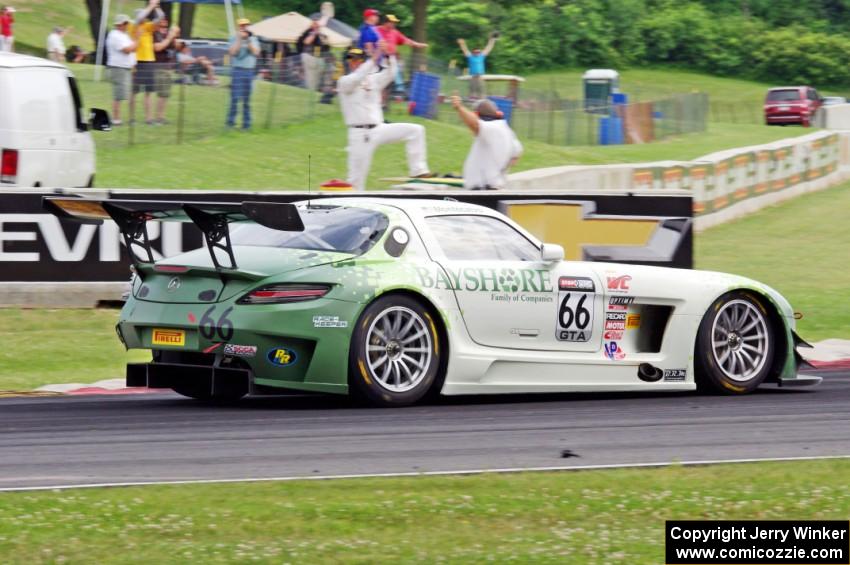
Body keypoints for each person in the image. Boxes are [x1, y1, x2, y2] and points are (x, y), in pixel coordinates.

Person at [338, 43, 432, 191]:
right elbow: (358, 77)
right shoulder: (344, 82)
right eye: (351, 59)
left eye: (358, 59)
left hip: (379, 128)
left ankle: (418, 171)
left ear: (363, 61)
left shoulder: (373, 80)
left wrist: (389, 56)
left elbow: (391, 73)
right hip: (359, 134)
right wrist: (374, 58)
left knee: (416, 130)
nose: (354, 62)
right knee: (355, 182)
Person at [451, 95, 522, 190]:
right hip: (495, 187)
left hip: (484, 189)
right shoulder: (507, 131)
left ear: (476, 114)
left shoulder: (492, 128)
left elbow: (475, 124)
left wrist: (459, 108)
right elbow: (516, 155)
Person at [128, 0, 164, 125]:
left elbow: (161, 17)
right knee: (134, 92)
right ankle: (132, 118)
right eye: (143, 16)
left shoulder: (148, 26)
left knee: (149, 92)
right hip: (137, 62)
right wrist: (151, 5)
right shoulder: (133, 26)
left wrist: (157, 7)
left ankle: (148, 119)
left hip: (149, 62)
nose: (145, 18)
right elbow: (139, 18)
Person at [378, 14, 427, 96]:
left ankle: (383, 105)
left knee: (387, 84)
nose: (394, 24)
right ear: (386, 22)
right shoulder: (376, 30)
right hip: (379, 60)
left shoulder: (395, 32)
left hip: (390, 61)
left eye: (394, 22)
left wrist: (418, 44)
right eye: (392, 22)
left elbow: (406, 40)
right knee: (379, 82)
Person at [226, 17, 260, 130]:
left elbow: (256, 52)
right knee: (234, 98)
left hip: (249, 71)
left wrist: (248, 40)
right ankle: (230, 124)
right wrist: (239, 40)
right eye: (242, 26)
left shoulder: (254, 39)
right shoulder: (233, 38)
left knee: (246, 99)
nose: (244, 27)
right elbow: (232, 52)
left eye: (246, 25)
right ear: (238, 27)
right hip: (237, 70)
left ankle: (246, 125)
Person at [105, 14, 138, 126]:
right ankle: (116, 119)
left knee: (122, 94)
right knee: (118, 95)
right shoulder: (115, 35)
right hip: (118, 68)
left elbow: (133, 49)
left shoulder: (123, 35)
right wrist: (137, 39)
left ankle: (118, 118)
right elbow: (128, 50)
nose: (128, 25)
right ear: (122, 24)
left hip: (125, 68)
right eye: (127, 23)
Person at [152, 17, 180, 125]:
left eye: (166, 22)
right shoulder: (155, 34)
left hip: (168, 68)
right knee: (161, 94)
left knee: (166, 94)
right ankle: (158, 118)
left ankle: (162, 117)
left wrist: (175, 35)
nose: (164, 24)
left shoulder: (168, 34)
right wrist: (170, 36)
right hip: (159, 67)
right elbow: (158, 47)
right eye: (162, 22)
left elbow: (176, 47)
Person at [457, 33, 497, 99]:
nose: (477, 53)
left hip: (480, 76)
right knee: (472, 91)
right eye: (476, 52)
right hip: (473, 76)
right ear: (473, 52)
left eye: (478, 52)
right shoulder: (470, 57)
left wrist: (492, 39)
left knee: (481, 91)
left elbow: (488, 48)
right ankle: (471, 101)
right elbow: (465, 50)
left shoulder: (481, 56)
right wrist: (462, 43)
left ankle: (481, 101)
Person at [296, 16, 329, 92]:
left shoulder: (322, 34)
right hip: (309, 57)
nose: (316, 24)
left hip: (319, 59)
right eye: (314, 22)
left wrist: (320, 32)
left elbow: (325, 44)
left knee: (316, 80)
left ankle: (312, 91)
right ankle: (309, 92)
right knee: (310, 79)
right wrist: (315, 32)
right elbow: (307, 41)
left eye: (317, 22)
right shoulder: (309, 31)